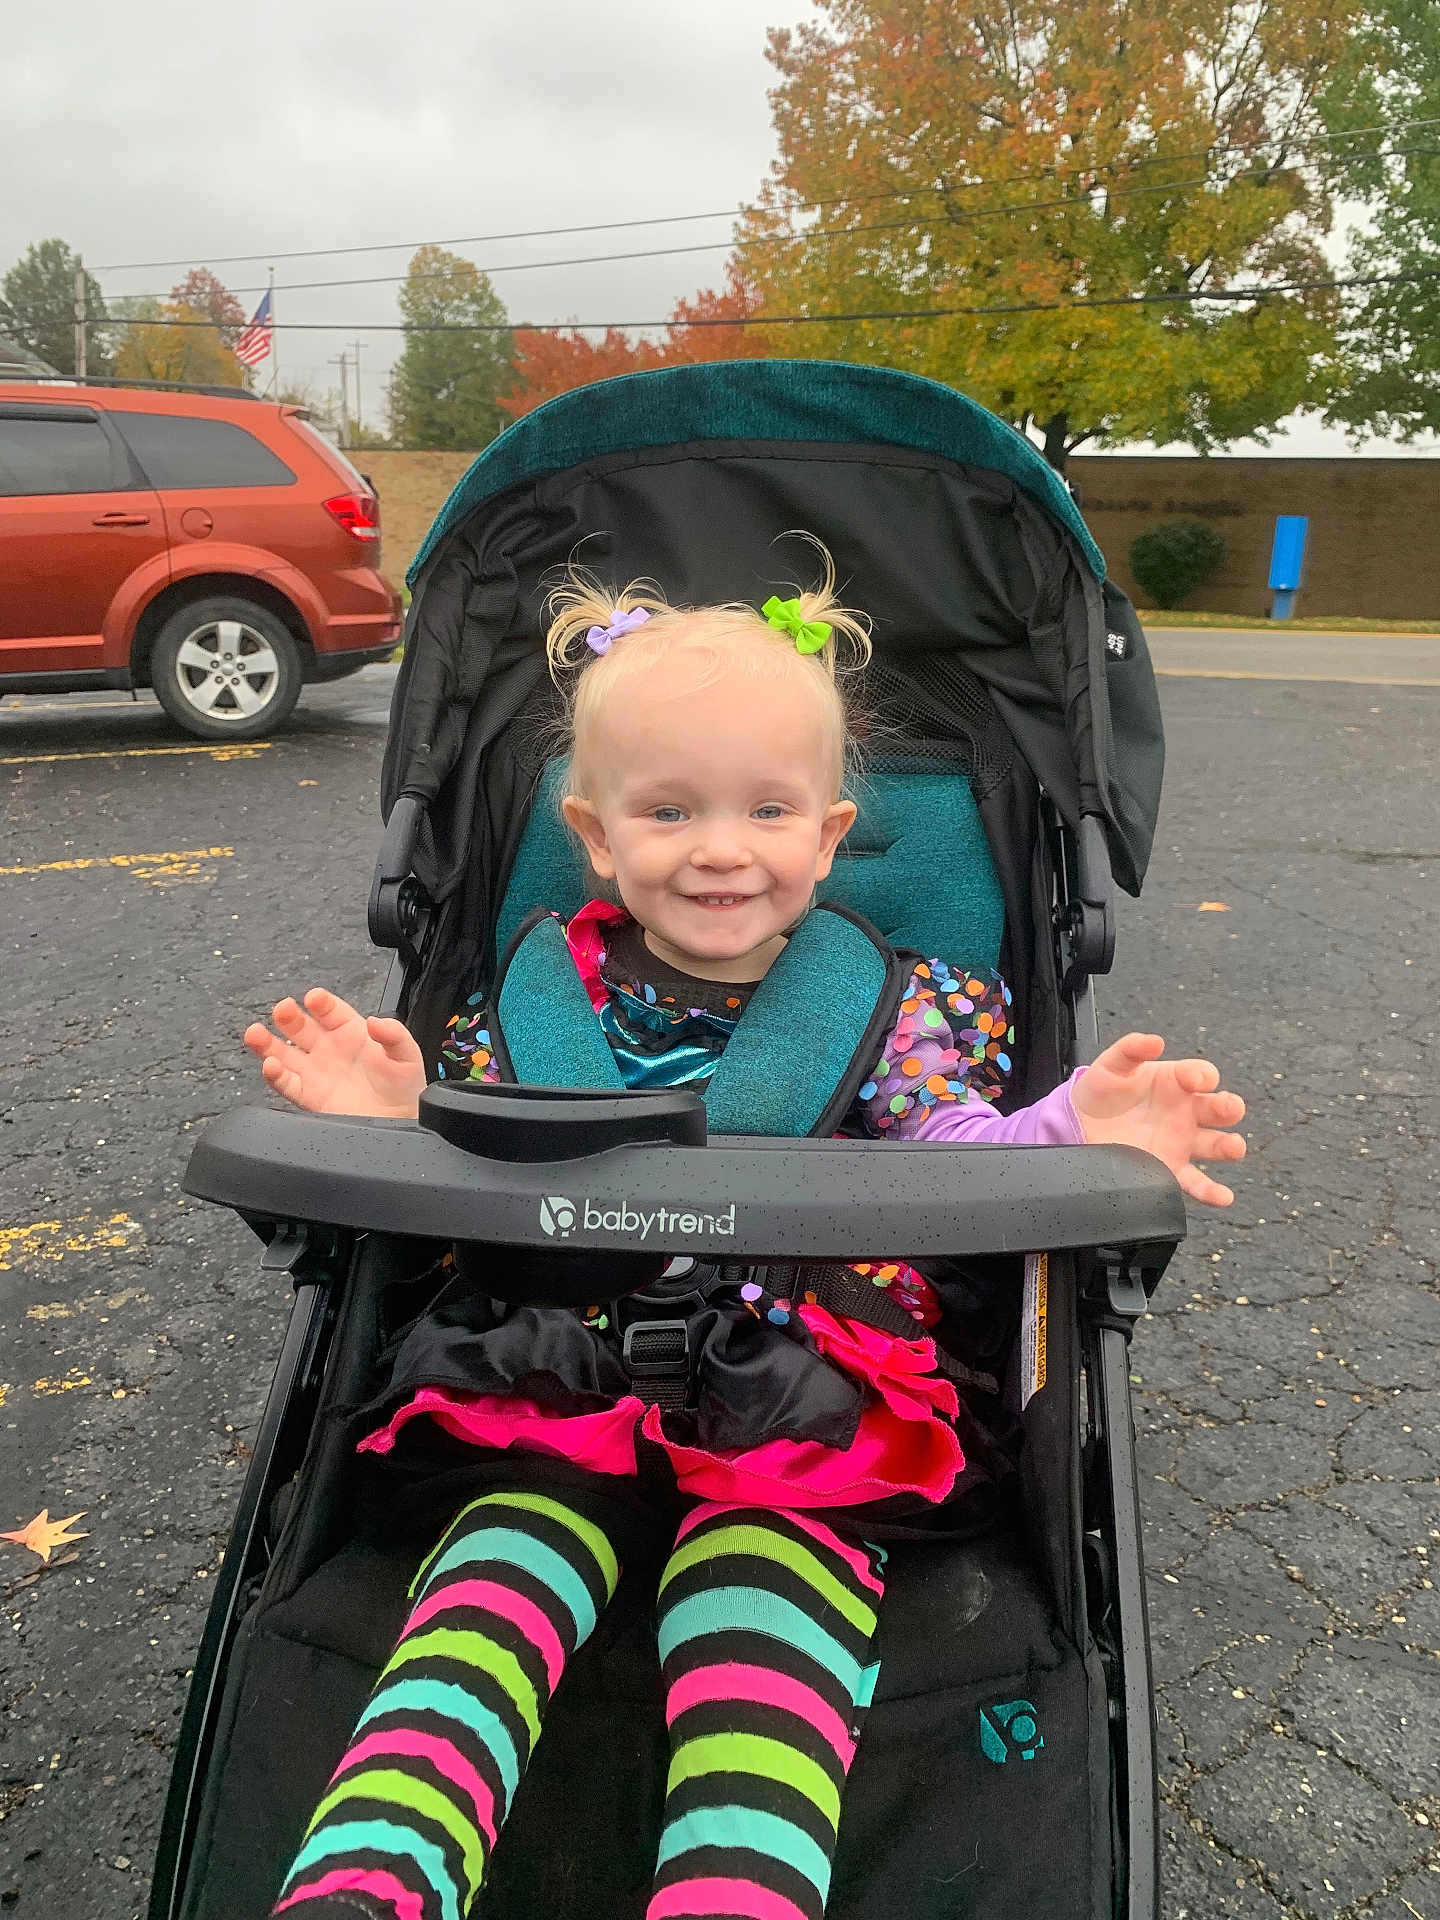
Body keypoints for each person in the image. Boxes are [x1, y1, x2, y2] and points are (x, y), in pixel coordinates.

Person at [247, 554, 1245, 1920]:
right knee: (481, 1601)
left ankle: (735, 1898)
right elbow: (462, 1150)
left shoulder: (898, 1010)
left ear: (831, 834)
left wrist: (1080, 1127)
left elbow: (954, 1157)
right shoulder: (533, 1003)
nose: (722, 848)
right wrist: (383, 1116)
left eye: (767, 810)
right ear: (594, 835)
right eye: (671, 811)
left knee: (766, 1633)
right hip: (550, 1379)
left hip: (804, 1400)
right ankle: (370, 1881)